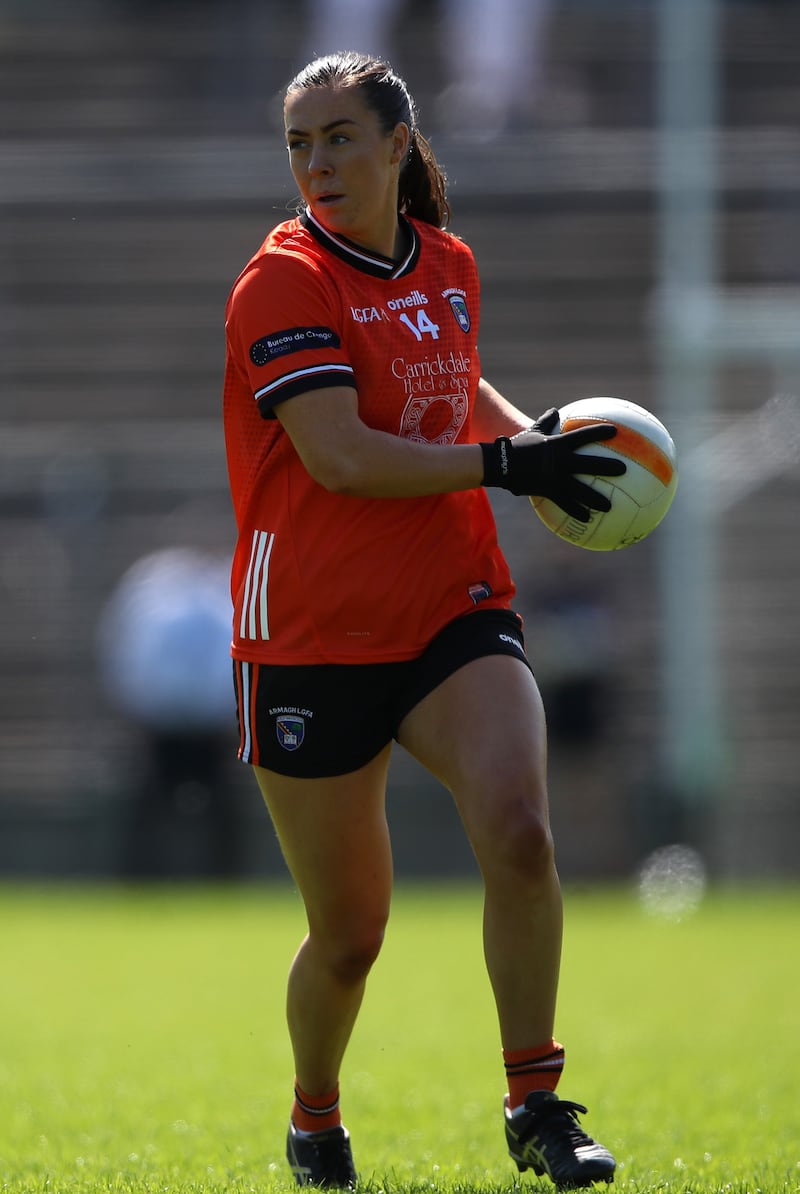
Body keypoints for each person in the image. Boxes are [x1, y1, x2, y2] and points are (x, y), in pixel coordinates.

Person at [222, 51, 623, 1189]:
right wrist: (505, 461)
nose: (315, 163)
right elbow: (340, 456)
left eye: (338, 136)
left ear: (398, 143)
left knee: (519, 830)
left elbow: (456, 370)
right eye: (299, 143)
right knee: (349, 936)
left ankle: (536, 1105)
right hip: (305, 633)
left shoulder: (446, 260)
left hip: (451, 603)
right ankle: (313, 1116)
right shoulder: (280, 281)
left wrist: (539, 441)